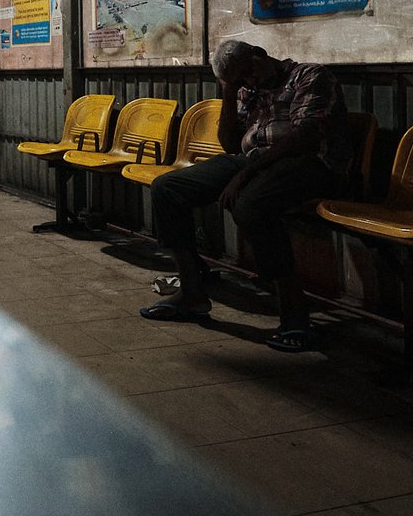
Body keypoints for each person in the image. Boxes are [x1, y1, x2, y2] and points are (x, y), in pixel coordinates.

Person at [138, 40, 351, 353]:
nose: (250, 81)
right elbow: (229, 144)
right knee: (167, 188)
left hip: (310, 164)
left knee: (250, 205)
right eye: (240, 80)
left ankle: (295, 313)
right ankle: (192, 293)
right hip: (255, 162)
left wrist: (245, 174)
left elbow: (304, 138)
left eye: (249, 71)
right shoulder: (246, 89)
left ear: (259, 53)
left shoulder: (308, 76)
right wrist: (228, 93)